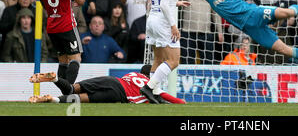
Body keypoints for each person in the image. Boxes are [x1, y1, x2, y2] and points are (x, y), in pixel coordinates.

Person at [140, 0, 191, 104]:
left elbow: (156, 1)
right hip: (163, 22)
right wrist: (173, 26)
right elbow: (163, 5)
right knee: (174, 60)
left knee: (159, 58)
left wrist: (176, 3)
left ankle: (155, 94)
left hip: (151, 20)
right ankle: (149, 87)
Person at [37, 0, 85, 85]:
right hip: (67, 25)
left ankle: (63, 91)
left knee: (63, 60)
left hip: (52, 26)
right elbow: (79, 1)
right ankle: (67, 89)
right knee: (76, 58)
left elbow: (44, 4)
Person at [28, 65, 185, 104]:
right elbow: (165, 97)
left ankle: (55, 78)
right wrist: (181, 102)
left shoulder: (132, 74)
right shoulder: (152, 84)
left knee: (71, 88)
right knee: (79, 98)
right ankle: (52, 99)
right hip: (120, 94)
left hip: (113, 80)